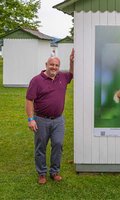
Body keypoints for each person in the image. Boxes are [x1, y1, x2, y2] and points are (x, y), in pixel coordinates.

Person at [26, 49, 74, 185]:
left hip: (58, 119)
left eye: (57, 66)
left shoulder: (62, 77)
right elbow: (29, 100)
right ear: (46, 65)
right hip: (41, 119)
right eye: (51, 65)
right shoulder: (36, 80)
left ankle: (54, 172)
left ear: (59, 67)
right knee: (40, 147)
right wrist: (31, 119)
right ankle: (42, 173)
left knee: (58, 144)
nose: (54, 67)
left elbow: (72, 74)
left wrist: (71, 61)